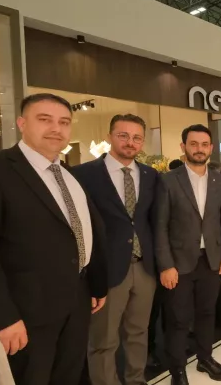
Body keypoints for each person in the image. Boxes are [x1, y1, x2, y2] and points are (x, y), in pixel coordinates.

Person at [0, 93, 108, 385]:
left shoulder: (68, 174)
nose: (56, 128)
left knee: (69, 375)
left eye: (64, 122)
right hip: (27, 311)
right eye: (44, 119)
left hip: (77, 299)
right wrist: (3, 318)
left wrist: (94, 283)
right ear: (22, 123)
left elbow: (81, 230)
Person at [72, 114, 161, 385]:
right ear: (109, 136)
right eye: (123, 135)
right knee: (104, 340)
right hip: (107, 270)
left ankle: (136, 380)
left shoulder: (150, 175)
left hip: (144, 268)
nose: (130, 142)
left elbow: (152, 220)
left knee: (139, 333)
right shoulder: (84, 175)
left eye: (136, 138)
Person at [155, 124, 221, 385]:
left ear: (211, 148)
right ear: (184, 147)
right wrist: (165, 265)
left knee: (207, 313)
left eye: (204, 145)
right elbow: (159, 226)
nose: (199, 149)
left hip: (212, 260)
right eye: (193, 144)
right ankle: (177, 369)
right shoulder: (168, 180)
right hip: (178, 264)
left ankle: (205, 358)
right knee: (178, 320)